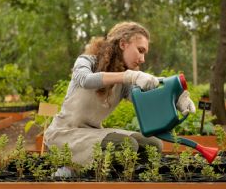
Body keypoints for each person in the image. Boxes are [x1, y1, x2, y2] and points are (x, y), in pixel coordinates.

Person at [44, 21, 196, 166]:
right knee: (127, 145)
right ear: (123, 44)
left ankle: (125, 183)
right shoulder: (86, 61)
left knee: (153, 145)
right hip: (64, 134)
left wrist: (176, 97)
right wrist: (129, 76)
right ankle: (71, 171)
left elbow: (148, 97)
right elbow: (85, 80)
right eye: (140, 50)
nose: (142, 59)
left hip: (92, 134)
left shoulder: (123, 84)